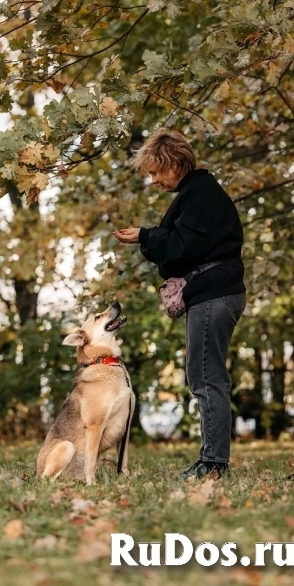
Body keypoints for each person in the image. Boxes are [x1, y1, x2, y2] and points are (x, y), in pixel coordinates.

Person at [113, 128, 246, 480]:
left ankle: (214, 464)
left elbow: (181, 249)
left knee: (206, 379)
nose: (154, 180)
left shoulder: (200, 196)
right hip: (216, 291)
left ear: (174, 162)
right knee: (206, 377)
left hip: (213, 294)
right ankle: (213, 461)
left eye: (156, 171)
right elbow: (182, 246)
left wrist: (145, 236)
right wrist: (147, 237)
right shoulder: (199, 194)